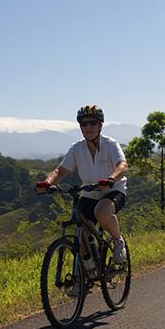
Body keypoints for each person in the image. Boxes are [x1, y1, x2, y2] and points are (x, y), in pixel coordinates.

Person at [36, 105, 128, 263]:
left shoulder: (110, 144)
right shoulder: (77, 148)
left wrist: (111, 179)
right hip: (89, 193)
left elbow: (123, 166)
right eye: (84, 124)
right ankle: (86, 271)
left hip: (113, 191)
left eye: (92, 123)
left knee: (101, 211)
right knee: (81, 230)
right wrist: (47, 182)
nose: (88, 127)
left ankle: (118, 241)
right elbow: (60, 170)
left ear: (100, 125)